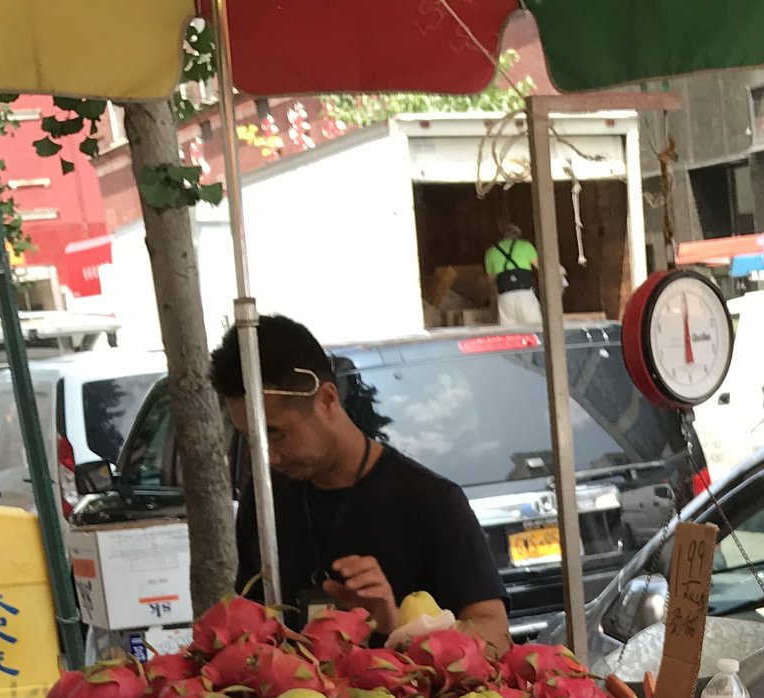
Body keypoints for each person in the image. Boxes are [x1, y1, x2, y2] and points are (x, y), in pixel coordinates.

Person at [211, 314, 508, 644]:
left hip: (406, 696)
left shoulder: (430, 502)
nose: (268, 456)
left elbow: (495, 635)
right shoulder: (265, 499)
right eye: (251, 439)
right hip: (293, 696)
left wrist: (398, 627)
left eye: (275, 434)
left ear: (326, 400)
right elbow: (250, 621)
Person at [485, 219, 542, 327]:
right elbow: (543, 269)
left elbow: (490, 280)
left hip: (505, 296)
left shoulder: (491, 252)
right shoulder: (526, 246)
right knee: (535, 328)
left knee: (509, 331)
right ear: (518, 234)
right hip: (525, 294)